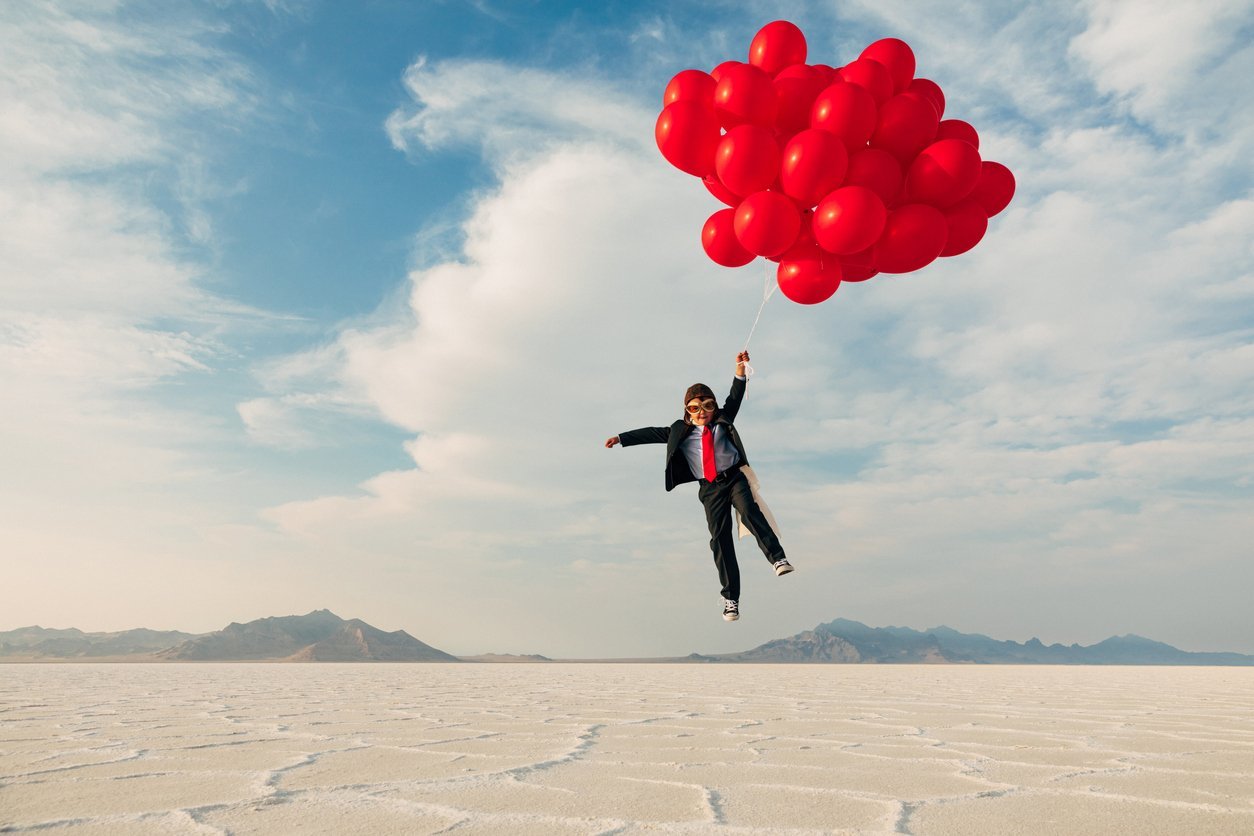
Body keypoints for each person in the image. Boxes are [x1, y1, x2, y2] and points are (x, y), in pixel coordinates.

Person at [605, 350, 792, 622]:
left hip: (734, 478)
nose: (702, 412)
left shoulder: (723, 420)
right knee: (719, 540)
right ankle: (731, 599)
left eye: (707, 406)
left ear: (714, 407)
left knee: (750, 512)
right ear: (687, 411)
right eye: (695, 408)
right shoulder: (678, 431)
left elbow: (735, 396)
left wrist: (740, 370)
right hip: (709, 489)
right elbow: (649, 433)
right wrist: (621, 438)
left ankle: (777, 559)